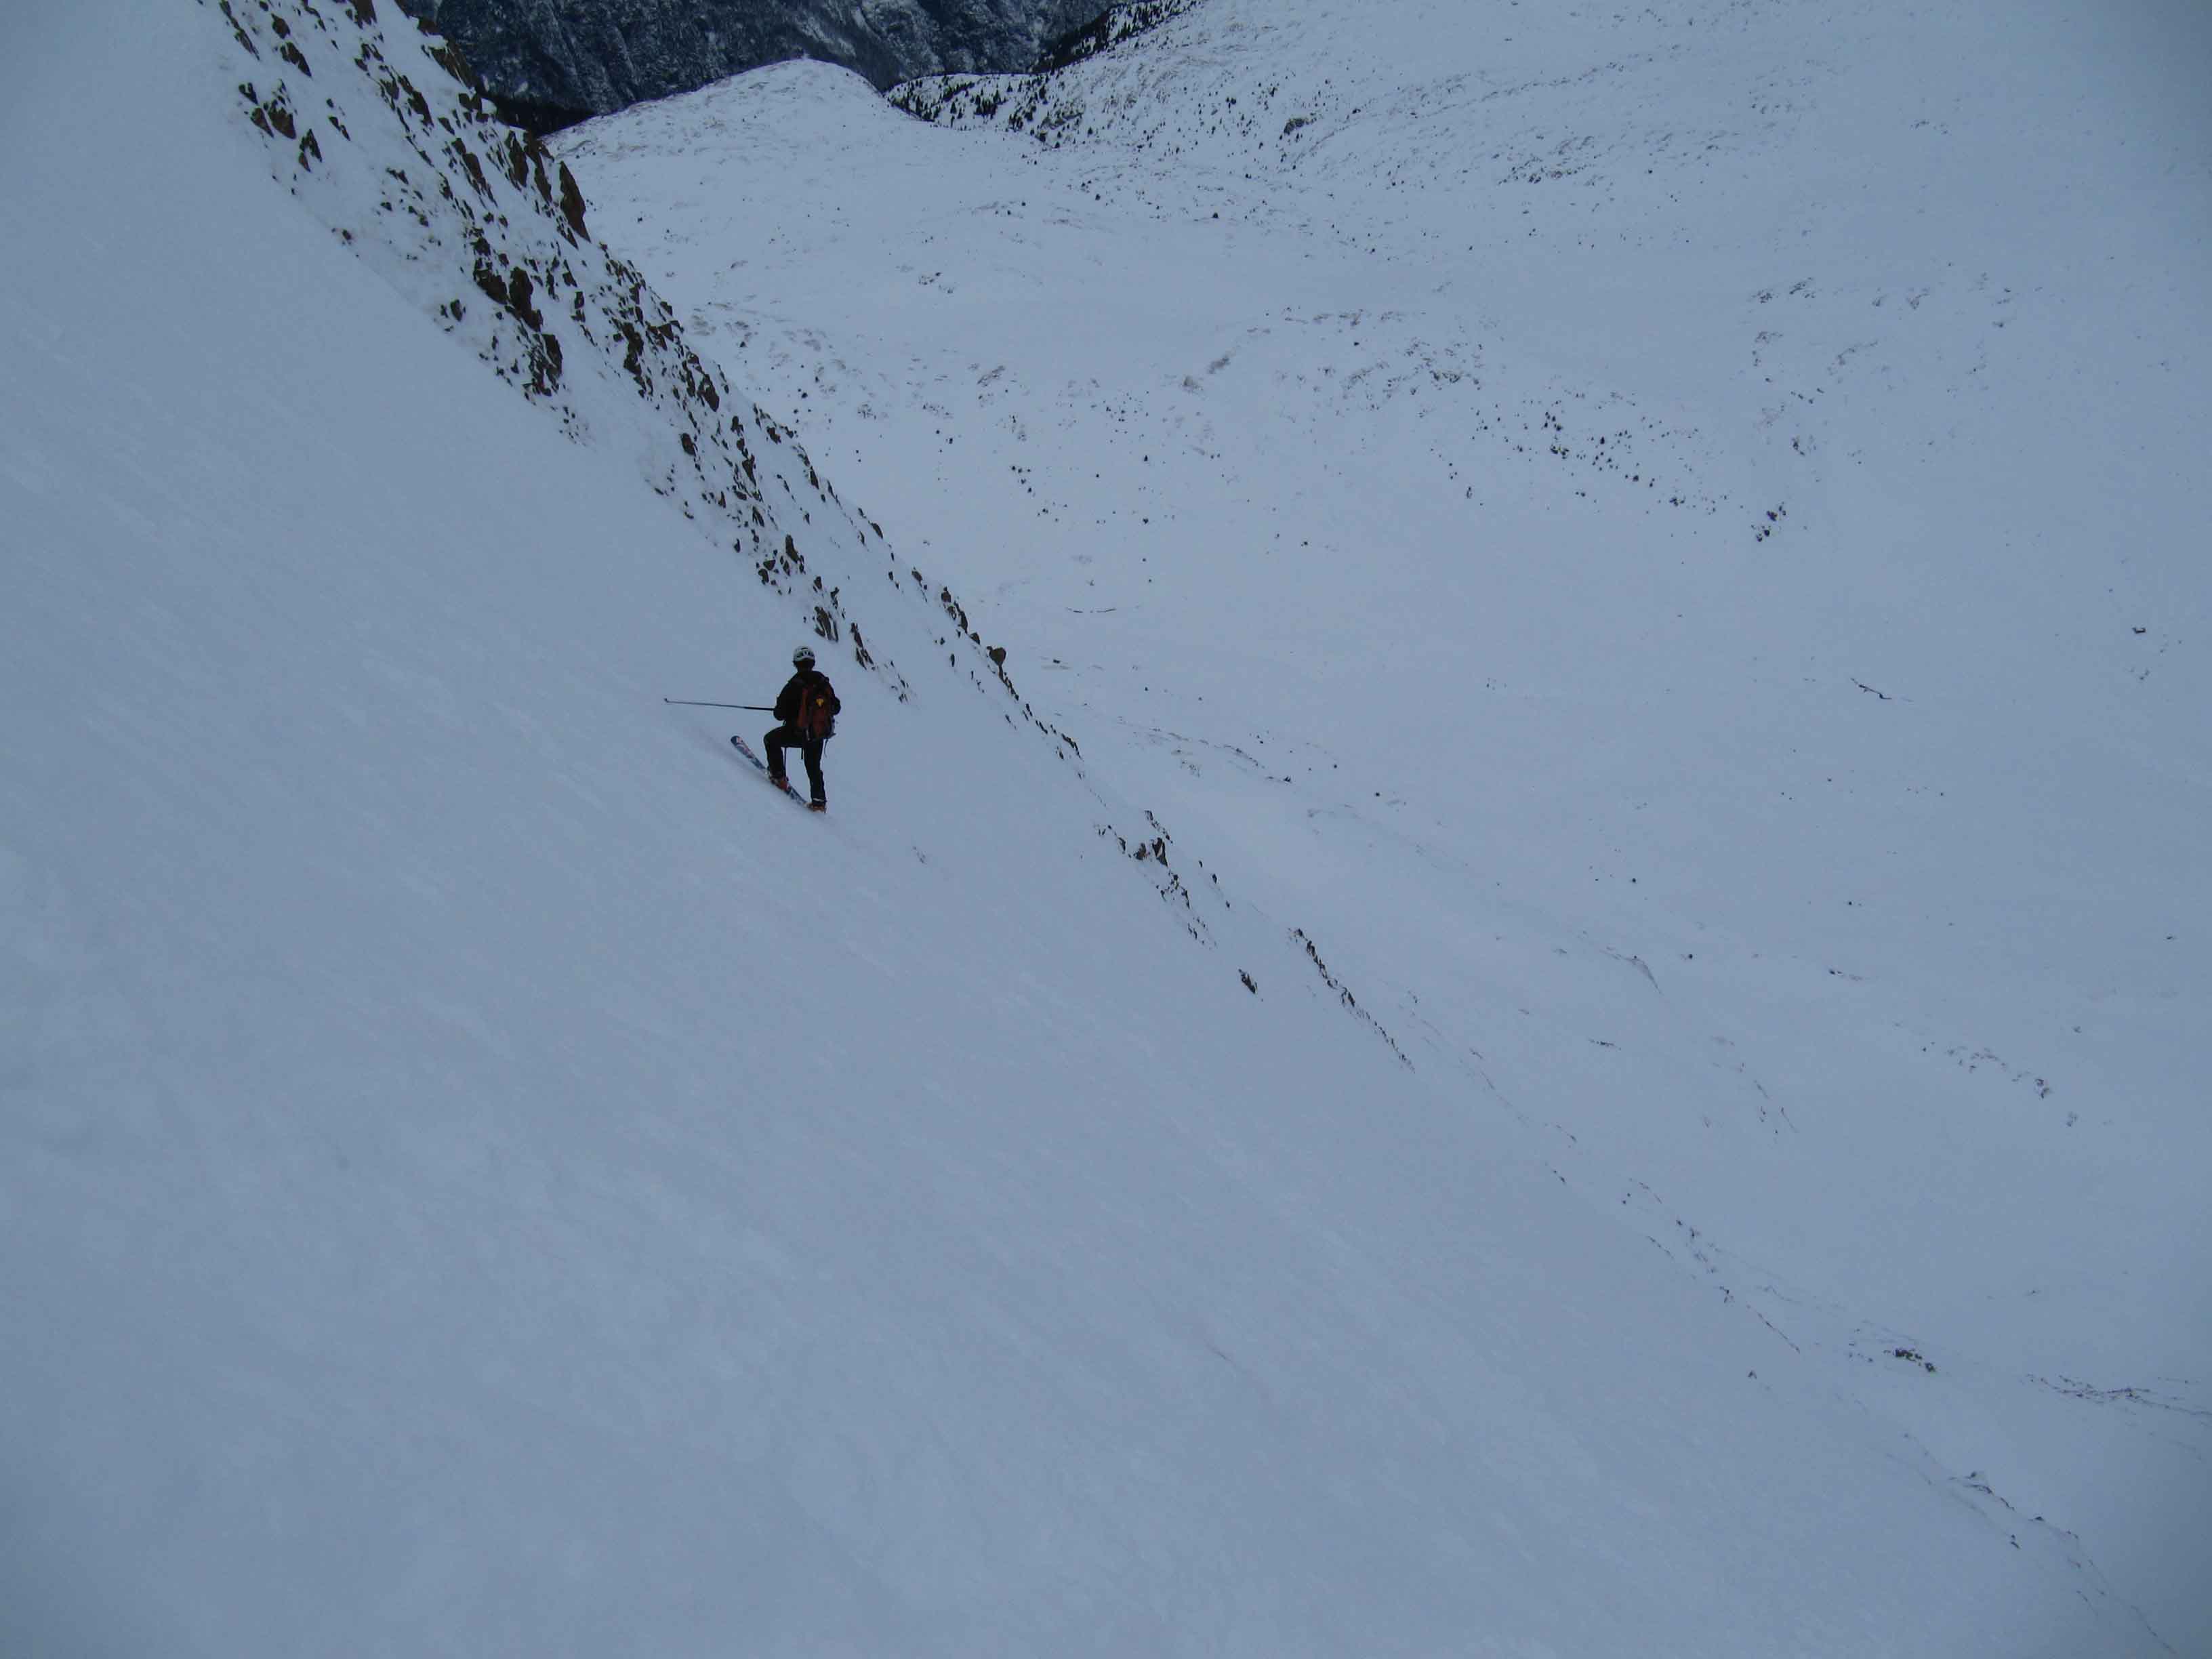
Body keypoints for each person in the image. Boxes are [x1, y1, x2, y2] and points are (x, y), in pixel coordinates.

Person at [765, 643, 840, 811]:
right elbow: (836, 707)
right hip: (819, 733)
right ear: (812, 663)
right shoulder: (823, 682)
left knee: (771, 740)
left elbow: (779, 715)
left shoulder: (794, 684)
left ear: (796, 664)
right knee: (813, 766)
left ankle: (779, 778)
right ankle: (819, 803)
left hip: (798, 732)